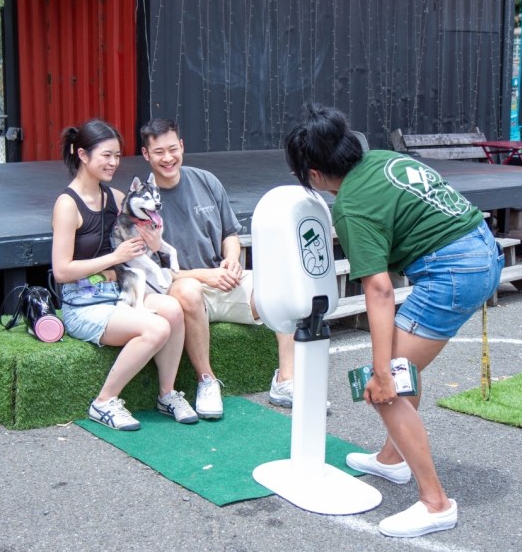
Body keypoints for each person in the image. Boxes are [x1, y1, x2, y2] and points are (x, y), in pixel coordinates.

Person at [284, 103, 502, 539]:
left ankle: (435, 504)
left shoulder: (350, 208)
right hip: (481, 245)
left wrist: (381, 371)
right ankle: (391, 458)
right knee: (404, 374)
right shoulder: (383, 159)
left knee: (387, 388)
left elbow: (379, 291)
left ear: (312, 174)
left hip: (453, 270)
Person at [139, 117, 296, 420]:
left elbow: (230, 234)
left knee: (283, 283)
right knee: (186, 290)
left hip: (223, 280)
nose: (168, 158)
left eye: (173, 149)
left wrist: (233, 260)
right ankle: (207, 381)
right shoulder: (142, 201)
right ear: (146, 155)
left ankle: (285, 380)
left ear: (182, 146)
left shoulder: (205, 180)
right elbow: (153, 272)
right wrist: (204, 274)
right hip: (181, 289)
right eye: (159, 152)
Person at [51, 118, 198, 431]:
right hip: (83, 304)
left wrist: (155, 240)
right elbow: (61, 271)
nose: (114, 162)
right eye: (106, 155)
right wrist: (114, 259)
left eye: (117, 155)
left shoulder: (116, 198)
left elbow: (149, 226)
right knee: (156, 328)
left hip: (120, 293)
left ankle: (167, 394)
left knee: (173, 309)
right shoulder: (67, 204)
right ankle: (104, 401)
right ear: (83, 155)